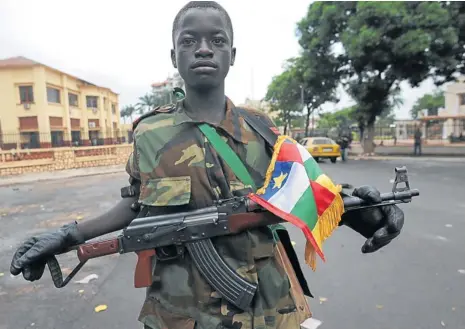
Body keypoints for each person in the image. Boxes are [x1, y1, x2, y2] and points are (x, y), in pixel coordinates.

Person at [10, 2, 405, 329]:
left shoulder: (261, 128)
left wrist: (363, 214)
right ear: (174, 56)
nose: (203, 49)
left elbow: (305, 193)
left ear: (231, 56)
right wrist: (66, 237)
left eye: (217, 41)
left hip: (267, 306)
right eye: (190, 40)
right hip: (180, 311)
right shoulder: (150, 133)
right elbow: (135, 205)